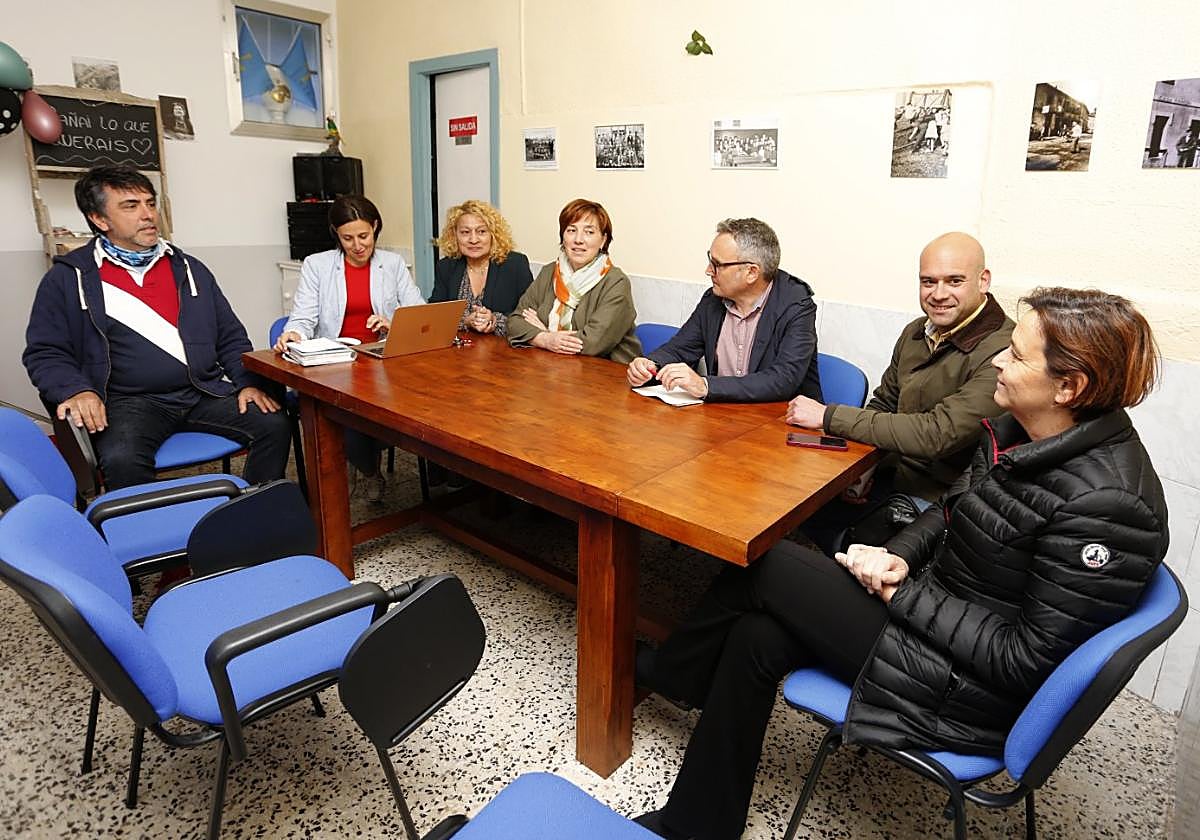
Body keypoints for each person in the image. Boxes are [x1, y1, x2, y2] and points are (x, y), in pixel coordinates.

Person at [634, 287, 1168, 840]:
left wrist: (904, 595)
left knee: (766, 565)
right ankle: (697, 823)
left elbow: (1024, 660)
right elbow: (949, 511)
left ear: (1068, 387)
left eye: (1016, 355)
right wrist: (898, 555)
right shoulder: (1022, 429)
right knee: (756, 634)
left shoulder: (1108, 505)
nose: (999, 363)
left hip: (971, 691)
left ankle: (671, 674)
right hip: (937, 625)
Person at [23, 165, 290, 491]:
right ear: (99, 219)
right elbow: (45, 352)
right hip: (126, 403)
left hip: (201, 392)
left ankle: (256, 512)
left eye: (150, 203)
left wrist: (247, 383)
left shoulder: (190, 269)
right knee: (122, 458)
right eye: (131, 206)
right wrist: (76, 390)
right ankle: (143, 524)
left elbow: (230, 336)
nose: (148, 214)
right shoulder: (68, 277)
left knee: (273, 423)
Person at [786, 232, 1013, 553]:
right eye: (928, 281)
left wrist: (828, 416)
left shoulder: (1003, 350)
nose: (939, 294)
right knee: (797, 505)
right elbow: (884, 403)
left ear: (983, 280)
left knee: (830, 550)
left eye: (954, 281)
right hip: (891, 473)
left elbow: (937, 434)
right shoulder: (916, 332)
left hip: (941, 499)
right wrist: (864, 468)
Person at [273, 195, 423, 501]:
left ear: (375, 227)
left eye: (364, 236)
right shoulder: (318, 265)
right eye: (348, 238)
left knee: (394, 407)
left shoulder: (392, 264)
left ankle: (360, 462)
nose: (357, 246)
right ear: (336, 235)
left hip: (381, 360)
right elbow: (303, 316)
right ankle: (369, 470)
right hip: (336, 363)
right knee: (347, 411)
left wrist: (393, 322)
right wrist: (294, 333)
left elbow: (418, 313)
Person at [626, 218, 821, 402]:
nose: (708, 270)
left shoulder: (796, 305)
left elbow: (783, 379)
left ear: (751, 272)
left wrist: (705, 385)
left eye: (717, 264)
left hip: (779, 419)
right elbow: (680, 349)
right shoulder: (713, 300)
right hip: (722, 415)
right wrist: (650, 365)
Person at [507, 198, 641, 363]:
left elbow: (592, 343)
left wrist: (545, 333)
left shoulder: (616, 282)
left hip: (605, 370)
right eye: (571, 230)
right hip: (552, 366)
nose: (579, 239)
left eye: (589, 232)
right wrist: (545, 339)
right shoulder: (549, 272)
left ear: (603, 240)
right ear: (563, 236)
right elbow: (515, 322)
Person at [430, 200, 533, 337]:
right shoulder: (446, 267)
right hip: (458, 347)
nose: (473, 240)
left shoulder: (515, 264)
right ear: (455, 235)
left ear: (493, 235)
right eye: (465, 232)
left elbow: (529, 315)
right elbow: (434, 315)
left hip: (504, 347)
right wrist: (465, 321)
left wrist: (495, 321)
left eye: (481, 231)